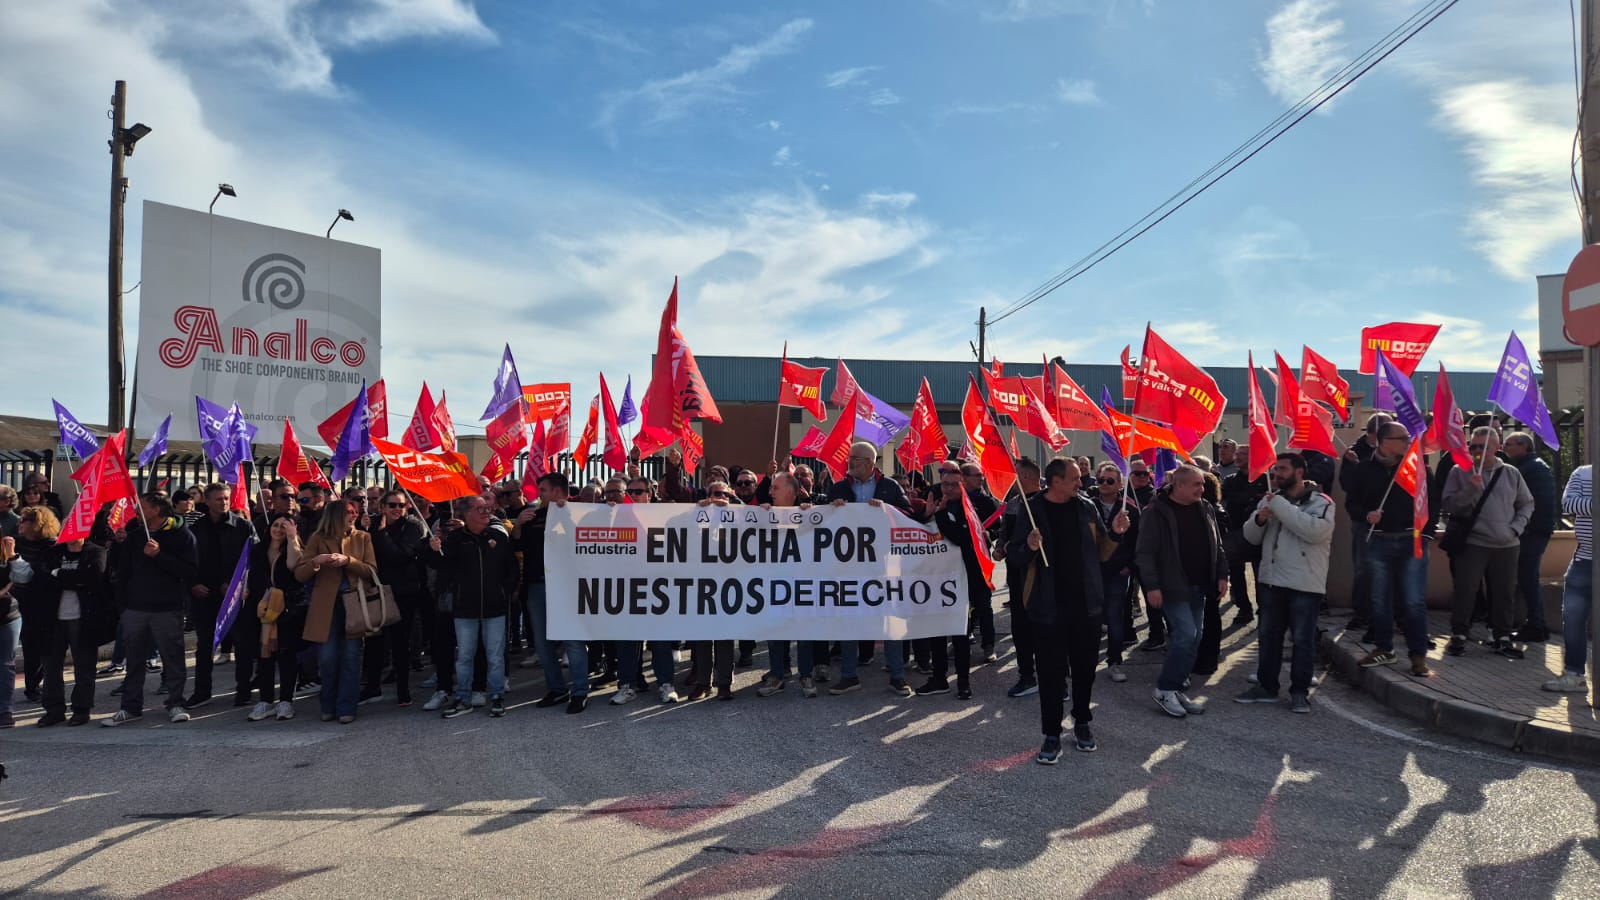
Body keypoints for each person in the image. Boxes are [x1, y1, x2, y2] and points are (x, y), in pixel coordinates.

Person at [1010, 458, 1127, 761]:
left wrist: (1114, 533)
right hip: (1046, 606)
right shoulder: (1031, 508)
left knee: (1085, 670)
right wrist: (1029, 548)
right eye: (1075, 478)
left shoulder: (1086, 507)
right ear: (1055, 481)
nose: (1081, 482)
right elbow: (1013, 555)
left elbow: (1102, 551)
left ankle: (1082, 721)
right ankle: (1051, 734)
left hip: (1086, 605)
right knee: (1049, 673)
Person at [1236, 453, 1335, 714]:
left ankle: (1299, 692)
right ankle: (1266, 687)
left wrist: (1279, 507)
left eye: (1282, 469)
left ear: (1299, 472)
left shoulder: (1321, 502)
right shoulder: (1272, 499)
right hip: (1272, 580)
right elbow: (1251, 537)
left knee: (1302, 640)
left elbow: (1314, 532)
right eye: (1275, 469)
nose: (1276, 474)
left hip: (1304, 583)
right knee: (1268, 637)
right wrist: (1259, 519)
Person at [1135, 465, 1227, 719]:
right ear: (1180, 485)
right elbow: (1145, 554)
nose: (1202, 488)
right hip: (1172, 587)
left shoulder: (1205, 507)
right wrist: (1152, 586)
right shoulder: (1155, 512)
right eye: (1196, 484)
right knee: (1186, 634)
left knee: (1194, 638)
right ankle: (1165, 689)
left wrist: (1222, 574)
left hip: (1200, 585)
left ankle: (1175, 687)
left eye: (1202, 484)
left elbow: (1216, 544)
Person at [104, 493, 200, 726]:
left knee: (172, 658)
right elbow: (123, 572)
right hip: (136, 609)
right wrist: (123, 606)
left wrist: (160, 556)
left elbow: (190, 571)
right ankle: (130, 707)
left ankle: (176, 703)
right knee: (134, 659)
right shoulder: (135, 536)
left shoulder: (182, 535)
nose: (136, 511)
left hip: (167, 608)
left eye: (142, 507)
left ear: (156, 510)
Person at [825, 442, 913, 695]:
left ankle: (897, 675)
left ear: (869, 463)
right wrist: (833, 508)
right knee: (849, 621)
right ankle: (849, 675)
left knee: (890, 621)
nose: (849, 462)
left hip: (883, 566)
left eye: (854, 458)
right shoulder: (840, 487)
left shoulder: (889, 487)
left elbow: (908, 513)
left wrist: (887, 509)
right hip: (849, 566)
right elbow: (822, 518)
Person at [1346, 422, 1433, 676]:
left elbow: (1432, 501)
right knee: (1380, 599)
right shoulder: (1362, 469)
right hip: (1378, 541)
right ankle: (1385, 648)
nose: (1408, 442)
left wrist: (1425, 534)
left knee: (1413, 600)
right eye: (1402, 438)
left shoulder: (1418, 468)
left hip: (1411, 541)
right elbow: (1352, 505)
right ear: (1384, 441)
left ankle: (1418, 655)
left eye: (1407, 438)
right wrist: (1366, 516)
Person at [1441, 427, 1533, 659]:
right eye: (1474, 446)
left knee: (1504, 592)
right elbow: (1450, 505)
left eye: (1484, 446)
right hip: (1473, 542)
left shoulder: (1511, 473)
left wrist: (1515, 529)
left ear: (1497, 448)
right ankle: (1459, 634)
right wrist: (1471, 488)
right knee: (1466, 590)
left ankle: (1502, 634)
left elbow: (1526, 503)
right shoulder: (1459, 471)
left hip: (1506, 544)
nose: (1478, 451)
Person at [429, 495, 520, 719]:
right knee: (465, 656)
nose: (486, 512)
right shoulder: (456, 539)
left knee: (495, 656)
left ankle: (497, 696)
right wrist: (433, 550)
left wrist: (504, 592)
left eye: (487, 508)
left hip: (495, 608)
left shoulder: (497, 536)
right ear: (466, 514)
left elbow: (512, 568)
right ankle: (463, 698)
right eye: (480, 509)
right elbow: (441, 567)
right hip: (464, 609)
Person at [295, 500, 378, 724]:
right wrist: (316, 562)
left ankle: (346, 706)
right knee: (328, 657)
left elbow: (371, 571)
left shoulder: (362, 537)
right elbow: (300, 574)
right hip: (326, 605)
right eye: (348, 513)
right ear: (335, 516)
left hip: (354, 602)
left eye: (354, 512)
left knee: (351, 657)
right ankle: (328, 704)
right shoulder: (317, 538)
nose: (353, 516)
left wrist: (348, 561)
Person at [515, 472, 592, 713]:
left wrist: (568, 514)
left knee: (573, 639)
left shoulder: (578, 513)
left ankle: (580, 691)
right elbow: (517, 545)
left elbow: (588, 541)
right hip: (537, 585)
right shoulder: (531, 516)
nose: (539, 494)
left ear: (557, 492)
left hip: (567, 585)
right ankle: (557, 689)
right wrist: (518, 524)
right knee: (541, 641)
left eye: (544, 490)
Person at [187, 482, 256, 709]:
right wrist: (194, 584)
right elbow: (187, 562)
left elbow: (253, 560)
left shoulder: (243, 527)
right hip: (205, 596)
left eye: (226, 498)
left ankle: (243, 690)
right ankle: (202, 692)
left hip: (234, 597)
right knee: (205, 646)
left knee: (242, 645)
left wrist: (238, 586)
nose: (224, 502)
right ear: (206, 502)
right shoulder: (196, 529)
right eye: (218, 499)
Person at [611, 476, 679, 706]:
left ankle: (666, 684)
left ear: (650, 494)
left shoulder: (665, 516)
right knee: (628, 640)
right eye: (630, 491)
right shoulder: (616, 516)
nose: (634, 495)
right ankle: (627, 685)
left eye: (639, 491)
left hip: (657, 588)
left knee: (660, 641)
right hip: (629, 588)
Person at [35, 531, 109, 727]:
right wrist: (76, 579)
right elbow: (43, 579)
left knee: (84, 665)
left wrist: (59, 574)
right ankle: (54, 710)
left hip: (83, 618)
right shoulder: (52, 553)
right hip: (53, 619)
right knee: (51, 666)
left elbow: (94, 578)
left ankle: (81, 709)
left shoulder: (96, 552)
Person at [920, 469, 981, 699]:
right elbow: (918, 530)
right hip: (936, 578)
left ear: (963, 485)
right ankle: (938, 677)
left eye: (954, 485)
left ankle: (963, 682)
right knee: (937, 630)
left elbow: (962, 538)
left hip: (961, 580)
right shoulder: (934, 502)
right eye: (945, 484)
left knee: (959, 634)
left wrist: (942, 516)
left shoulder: (968, 510)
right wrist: (927, 516)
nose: (948, 489)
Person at [364, 490, 426, 708]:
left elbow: (401, 556)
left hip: (403, 592)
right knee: (374, 641)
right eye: (391, 505)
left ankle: (403, 689)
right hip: (376, 590)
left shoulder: (412, 527)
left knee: (401, 643)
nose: (396, 509)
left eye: (400, 505)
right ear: (382, 507)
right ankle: (373, 687)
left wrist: (380, 535)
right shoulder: (370, 525)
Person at [244, 515, 307, 721]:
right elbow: (248, 575)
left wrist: (292, 539)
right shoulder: (257, 550)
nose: (278, 529)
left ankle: (286, 701)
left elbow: (292, 565)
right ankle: (265, 700)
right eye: (276, 525)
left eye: (284, 526)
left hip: (287, 608)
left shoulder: (295, 547)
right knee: (264, 655)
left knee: (286, 654)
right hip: (263, 608)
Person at [1339, 412, 1393, 634]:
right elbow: (1347, 486)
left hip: (1392, 522)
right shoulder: (1355, 452)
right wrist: (1353, 465)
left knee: (1391, 570)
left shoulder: (1397, 453)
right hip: (1364, 521)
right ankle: (1362, 613)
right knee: (1363, 568)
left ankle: (1392, 614)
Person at [1503, 432, 1556, 642]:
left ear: (1523, 446)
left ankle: (1536, 624)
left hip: (1532, 532)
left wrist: (1524, 528)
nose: (1505, 447)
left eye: (1509, 444)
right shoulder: (1531, 466)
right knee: (1526, 577)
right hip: (1534, 530)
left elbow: (1533, 503)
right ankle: (1536, 624)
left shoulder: (1530, 469)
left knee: (1527, 577)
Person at [1543, 464, 1592, 693]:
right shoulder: (1582, 473)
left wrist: (1587, 505)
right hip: (1583, 561)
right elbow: (1568, 503)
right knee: (1572, 619)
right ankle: (1575, 675)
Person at [1091, 463, 1140, 683]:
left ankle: (1114, 661)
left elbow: (1138, 542)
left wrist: (1130, 565)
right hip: (1093, 571)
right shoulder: (1088, 505)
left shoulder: (1130, 508)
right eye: (1101, 479)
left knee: (1114, 617)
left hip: (1118, 572)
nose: (1104, 484)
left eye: (1110, 480)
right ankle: (1087, 659)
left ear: (1120, 484)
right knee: (1091, 617)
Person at [1000, 458, 1043, 697]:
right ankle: (1027, 675)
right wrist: (1000, 546)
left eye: (1013, 474)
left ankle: (1058, 679)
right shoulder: (1013, 504)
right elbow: (1005, 533)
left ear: (1025, 477)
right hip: (1016, 574)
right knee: (1021, 626)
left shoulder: (1046, 503)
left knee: (1047, 627)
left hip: (1043, 576)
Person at [958, 463, 1002, 660]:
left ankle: (989, 645)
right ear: (964, 478)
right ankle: (961, 640)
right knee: (961, 604)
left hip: (981, 561)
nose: (981, 479)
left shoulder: (987, 502)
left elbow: (999, 529)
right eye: (977, 475)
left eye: (981, 475)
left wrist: (989, 534)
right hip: (958, 560)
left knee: (984, 604)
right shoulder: (955, 500)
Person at [0, 534, 21, 727]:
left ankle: (5, 711)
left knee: (6, 664)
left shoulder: (7, 554)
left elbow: (21, 576)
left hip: (8, 616)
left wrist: (12, 554)